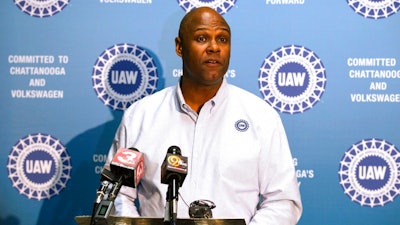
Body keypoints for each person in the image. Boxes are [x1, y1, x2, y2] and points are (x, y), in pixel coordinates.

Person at [105, 6, 302, 225]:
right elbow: (117, 195)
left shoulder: (261, 116)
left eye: (223, 39)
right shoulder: (140, 116)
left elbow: (283, 201)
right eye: (201, 38)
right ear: (180, 47)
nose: (214, 48)